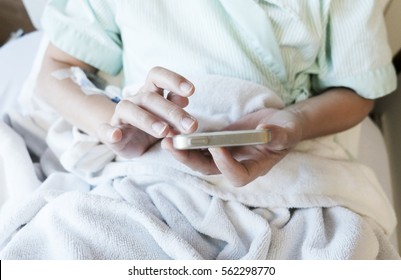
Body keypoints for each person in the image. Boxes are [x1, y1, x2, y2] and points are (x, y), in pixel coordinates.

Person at [36, 0, 396, 189]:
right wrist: (111, 126)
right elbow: (56, 67)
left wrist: (299, 122)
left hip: (284, 159)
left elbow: (358, 91)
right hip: (148, 167)